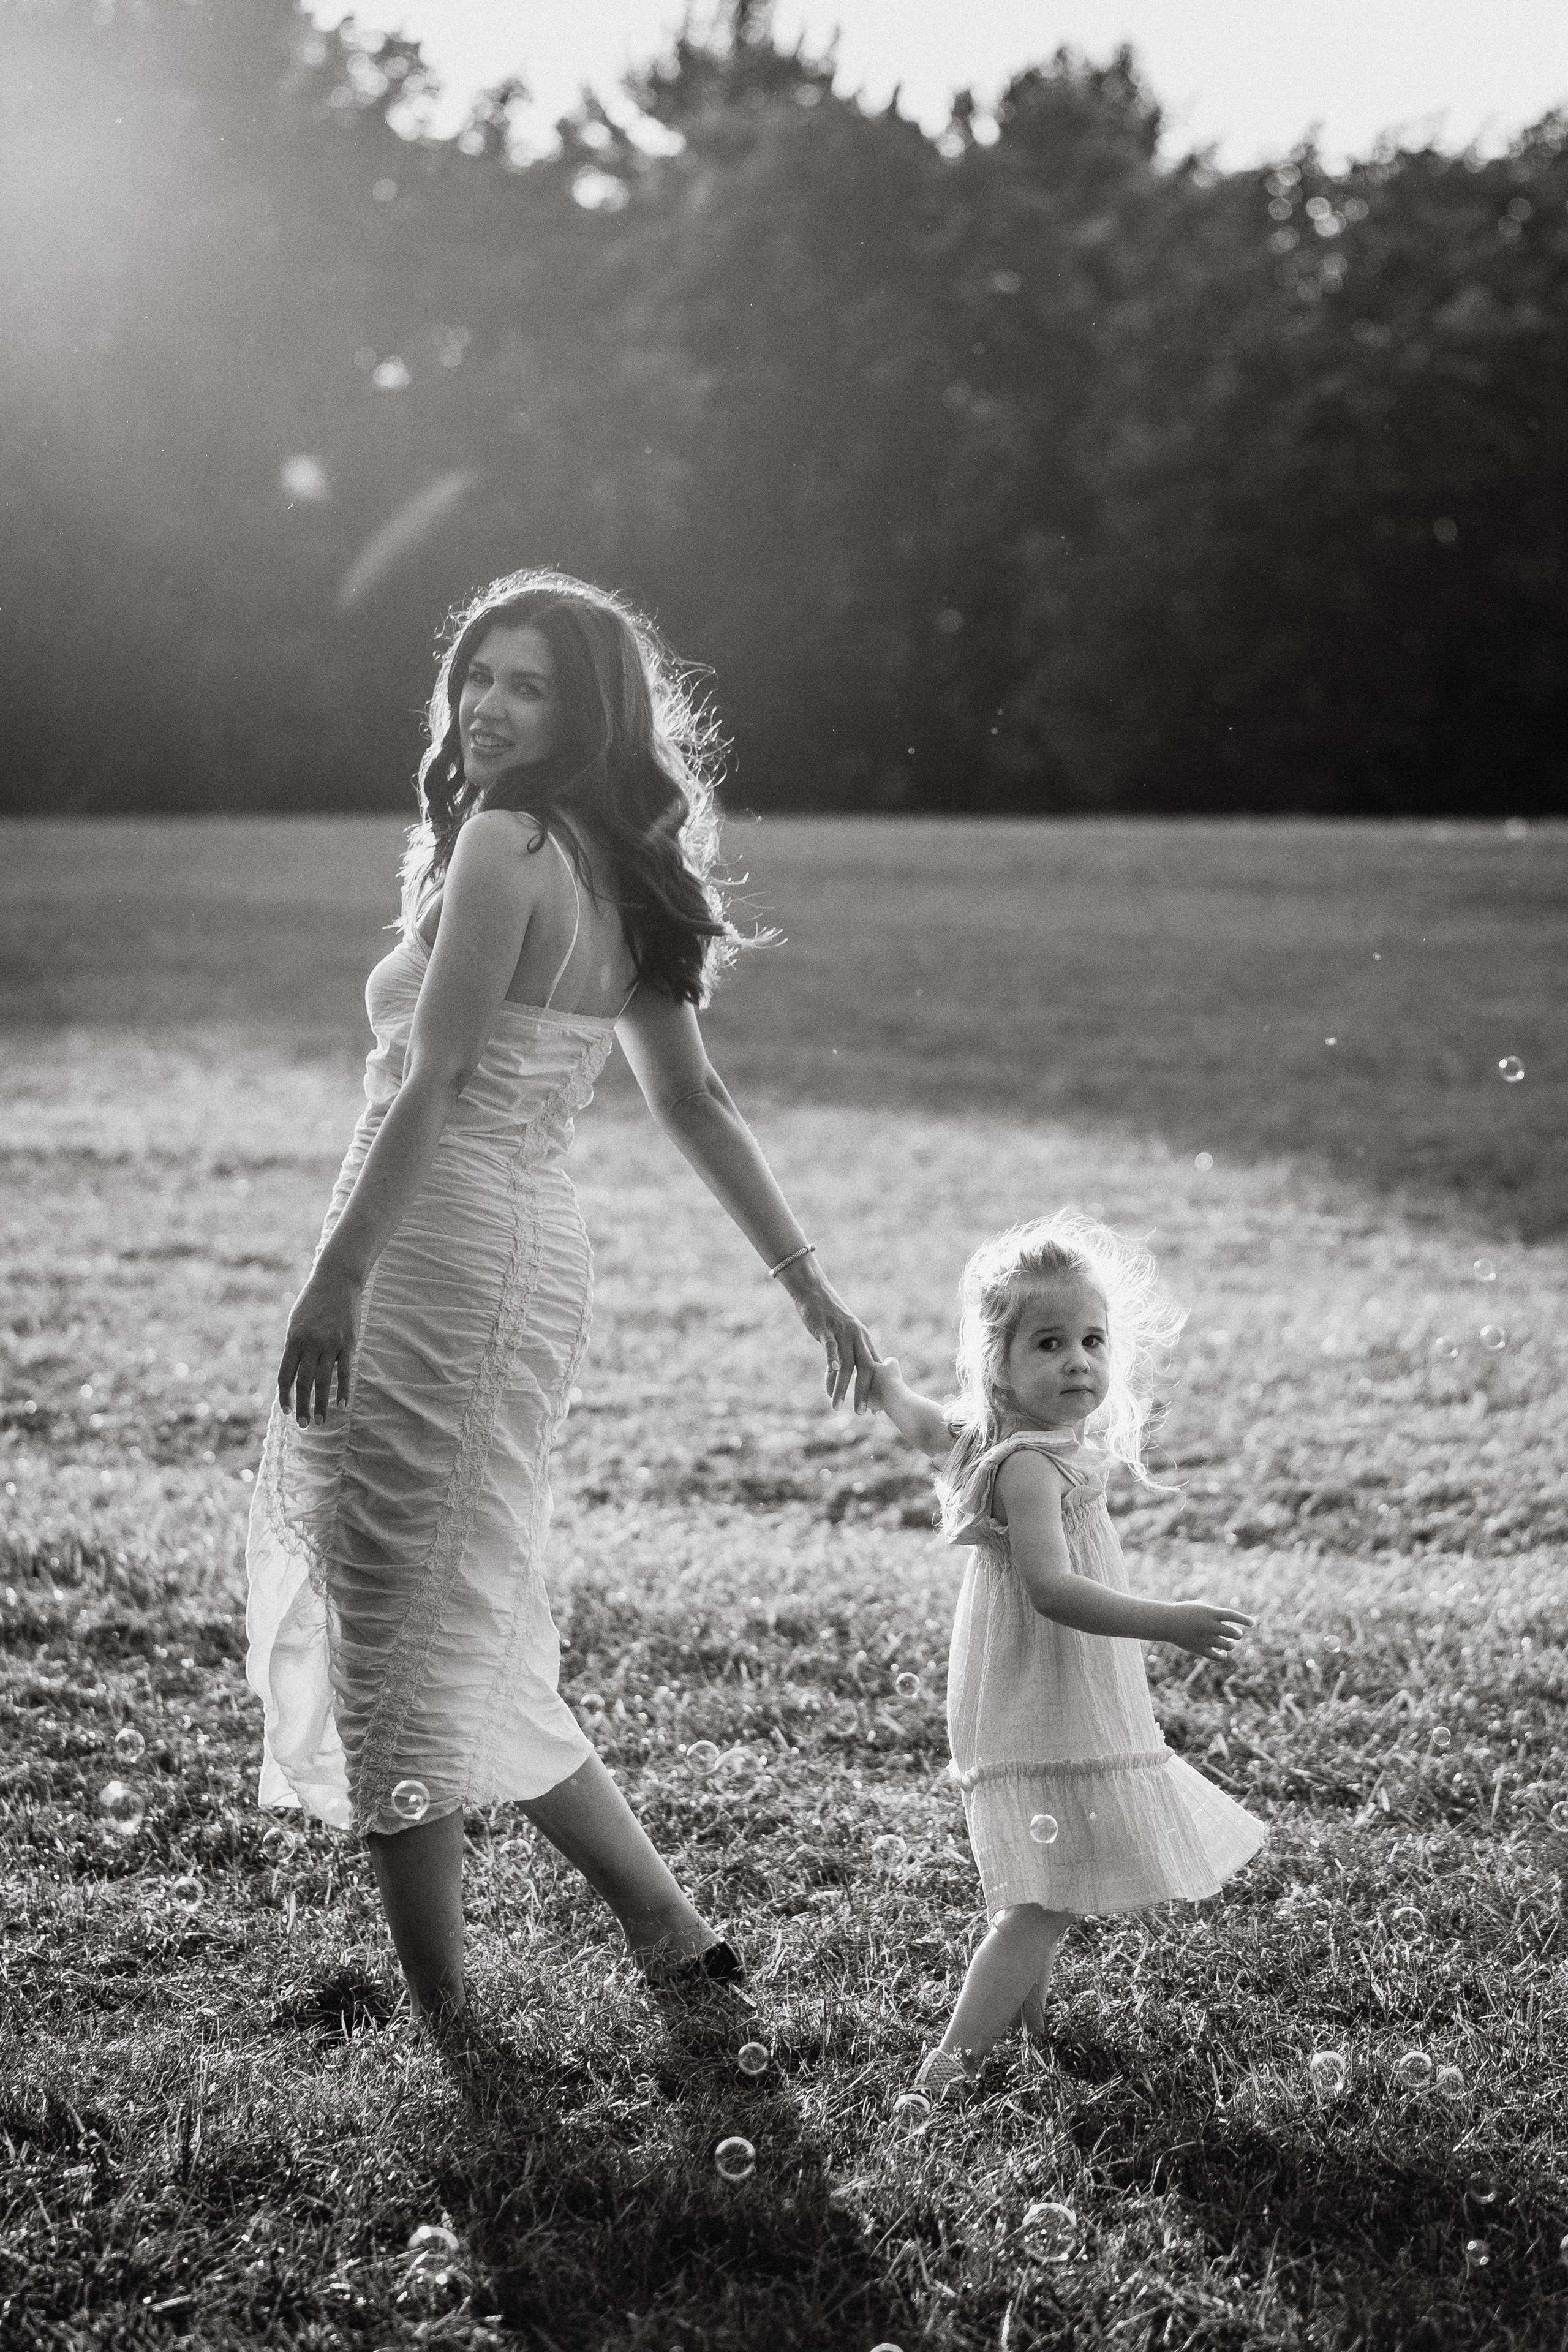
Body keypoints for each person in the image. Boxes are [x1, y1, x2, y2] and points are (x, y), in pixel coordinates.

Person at [244, 567, 878, 2032]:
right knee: (455, 1603)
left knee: (389, 1617)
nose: (488, 704)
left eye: (528, 685)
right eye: (478, 674)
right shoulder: (617, 864)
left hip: (428, 1258)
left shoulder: (507, 842)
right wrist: (810, 1289)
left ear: (581, 712)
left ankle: (450, 2016)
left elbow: (440, 1074)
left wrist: (335, 1273)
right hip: (522, 1263)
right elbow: (694, 1100)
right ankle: (669, 1929)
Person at [867, 1211, 1265, 2102]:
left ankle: (1029, 2034)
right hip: (1047, 1684)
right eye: (1049, 1343)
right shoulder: (1031, 1467)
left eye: (1091, 1339)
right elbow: (1051, 1587)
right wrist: (1168, 1622)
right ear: (997, 1363)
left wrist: (887, 1385)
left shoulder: (1010, 1443)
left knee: (1042, 1879)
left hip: (1032, 1683)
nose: (1078, 1360)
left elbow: (931, 1428)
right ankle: (945, 2074)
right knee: (1046, 1899)